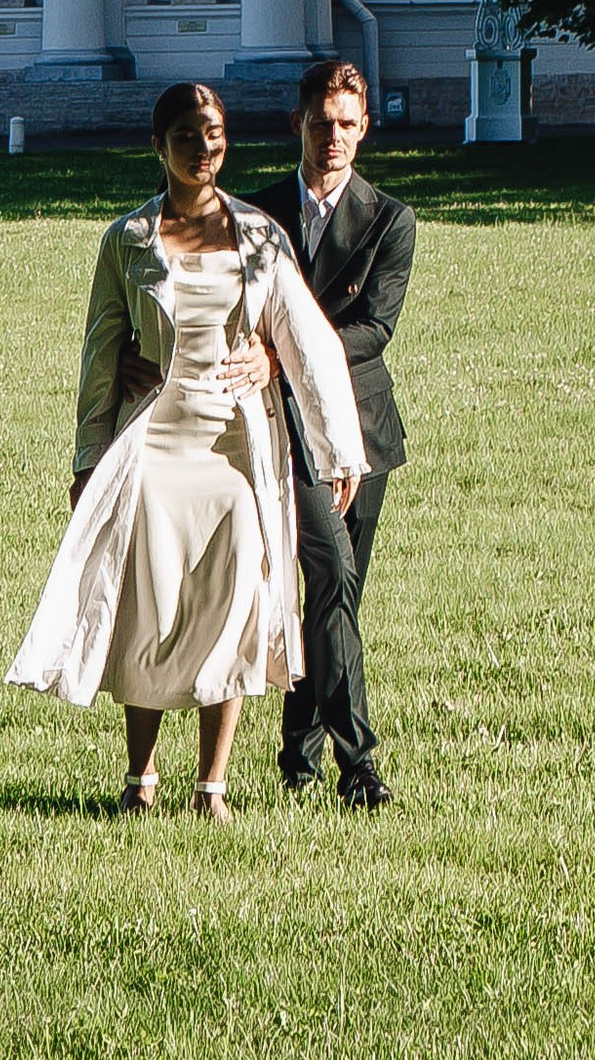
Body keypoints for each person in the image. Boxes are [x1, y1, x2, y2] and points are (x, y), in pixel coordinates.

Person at [9, 81, 366, 816]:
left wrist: (338, 453)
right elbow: (101, 352)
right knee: (151, 605)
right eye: (187, 138)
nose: (205, 150)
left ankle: (213, 783)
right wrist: (88, 457)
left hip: (235, 444)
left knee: (229, 603)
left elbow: (307, 342)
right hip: (156, 441)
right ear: (158, 146)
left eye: (215, 136)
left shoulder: (260, 235)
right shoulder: (127, 241)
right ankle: (140, 777)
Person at [255, 55, 416, 807]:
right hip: (280, 422)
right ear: (300, 123)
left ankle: (299, 753)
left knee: (335, 594)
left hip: (361, 430)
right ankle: (359, 766)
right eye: (322, 123)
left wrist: (285, 344)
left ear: (364, 131)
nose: (334, 138)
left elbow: (373, 329)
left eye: (348, 124)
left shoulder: (389, 220)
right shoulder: (254, 219)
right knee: (334, 580)